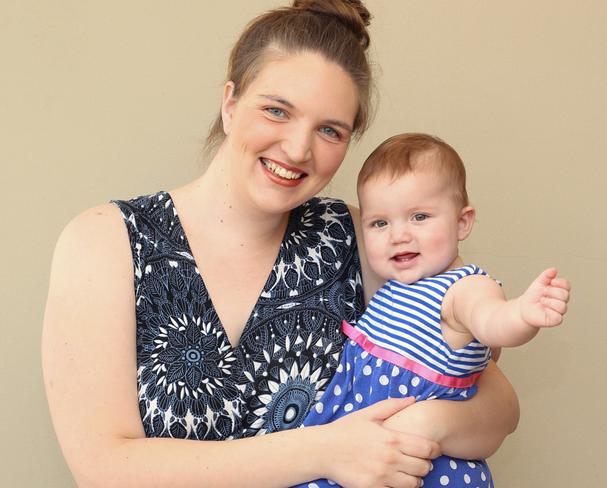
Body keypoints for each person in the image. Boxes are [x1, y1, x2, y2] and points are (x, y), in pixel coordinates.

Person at [41, 2, 519, 487]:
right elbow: (104, 469)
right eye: (276, 110)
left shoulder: (362, 241)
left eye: (329, 130)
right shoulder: (106, 243)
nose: (296, 149)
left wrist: (424, 425)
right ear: (230, 104)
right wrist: (326, 450)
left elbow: (495, 404)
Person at [295, 133, 571, 487]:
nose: (399, 235)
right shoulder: (396, 287)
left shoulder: (461, 288)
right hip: (361, 445)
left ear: (462, 222)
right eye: (380, 223)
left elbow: (490, 320)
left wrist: (522, 314)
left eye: (419, 217)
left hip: (420, 465)